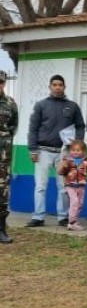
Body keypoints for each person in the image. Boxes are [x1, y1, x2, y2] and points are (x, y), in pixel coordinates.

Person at [26, 74, 85, 227]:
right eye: (55, 85)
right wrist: (33, 149)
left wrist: (76, 146)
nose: (58, 87)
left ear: (64, 87)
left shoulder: (72, 106)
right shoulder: (41, 105)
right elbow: (33, 128)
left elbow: (80, 126)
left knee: (64, 186)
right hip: (42, 151)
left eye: (60, 85)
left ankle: (63, 216)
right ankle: (38, 217)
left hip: (64, 152)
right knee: (40, 186)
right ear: (50, 87)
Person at [56, 140, 87, 231]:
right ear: (70, 150)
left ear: (83, 151)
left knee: (80, 204)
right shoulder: (67, 160)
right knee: (74, 202)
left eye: (78, 150)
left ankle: (74, 220)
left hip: (81, 186)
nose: (75, 152)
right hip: (70, 185)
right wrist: (62, 166)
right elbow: (60, 172)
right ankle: (71, 223)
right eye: (73, 150)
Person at [0, 70, 18, 244]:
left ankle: (1, 229)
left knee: (2, 192)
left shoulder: (10, 104)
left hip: (3, 157)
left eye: (0, 82)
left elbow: (14, 126)